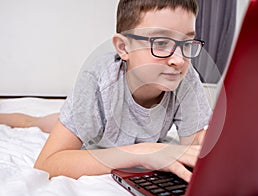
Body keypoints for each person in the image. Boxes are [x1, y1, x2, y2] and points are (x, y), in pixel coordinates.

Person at [1, 0, 212, 183]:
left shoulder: (185, 77)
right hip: (95, 129)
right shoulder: (98, 82)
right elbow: (47, 163)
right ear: (123, 48)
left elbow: (192, 144)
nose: (179, 60)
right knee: (39, 123)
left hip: (119, 131)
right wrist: (144, 151)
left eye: (186, 42)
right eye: (162, 43)